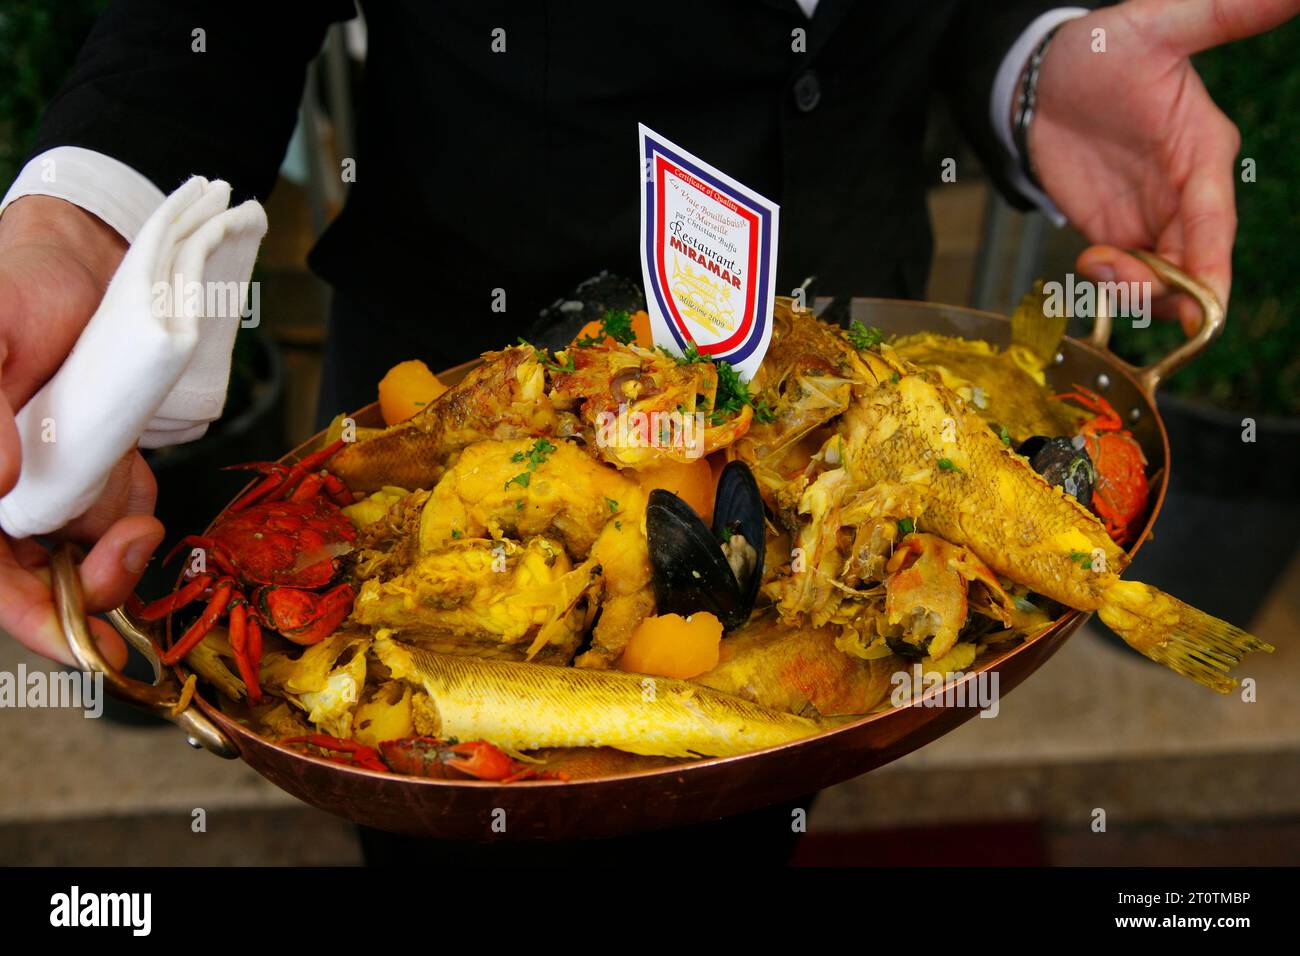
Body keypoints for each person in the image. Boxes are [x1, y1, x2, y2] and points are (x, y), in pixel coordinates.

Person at [0, 0, 1294, 860]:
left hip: (842, 410)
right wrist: (92, 212)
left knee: (762, 814)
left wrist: (1030, 66)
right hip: (456, 407)